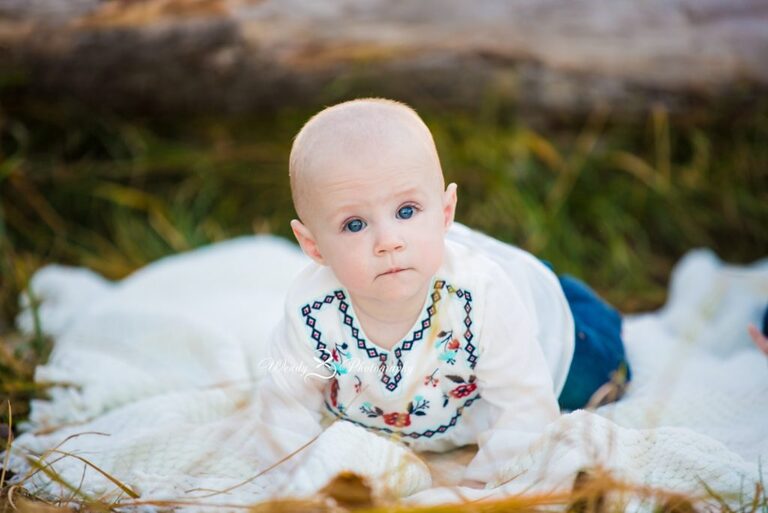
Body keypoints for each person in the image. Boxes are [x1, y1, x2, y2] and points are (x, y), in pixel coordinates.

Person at [250, 97, 630, 489]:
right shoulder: (311, 312)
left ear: (445, 212)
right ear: (313, 246)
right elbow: (284, 406)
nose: (388, 241)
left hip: (534, 322)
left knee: (596, 374)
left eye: (407, 211)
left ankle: (580, 299)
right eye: (354, 224)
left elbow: (525, 403)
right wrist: (297, 483)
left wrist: (484, 487)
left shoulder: (479, 295)